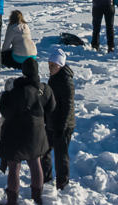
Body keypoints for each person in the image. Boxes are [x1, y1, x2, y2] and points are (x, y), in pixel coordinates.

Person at [0, 58, 55, 205]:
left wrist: (5, 95)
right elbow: (51, 107)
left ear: (23, 71)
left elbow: (5, 111)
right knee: (36, 163)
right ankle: (37, 197)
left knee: (14, 166)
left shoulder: (16, 91)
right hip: (37, 132)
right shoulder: (44, 89)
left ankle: (12, 200)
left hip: (16, 133)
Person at [41, 48, 75, 191]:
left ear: (60, 65)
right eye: (49, 65)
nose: (50, 68)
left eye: (53, 66)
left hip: (63, 125)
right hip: (51, 122)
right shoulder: (53, 78)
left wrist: (61, 126)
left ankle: (63, 182)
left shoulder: (66, 82)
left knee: (61, 156)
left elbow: (67, 107)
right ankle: (46, 179)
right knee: (44, 151)